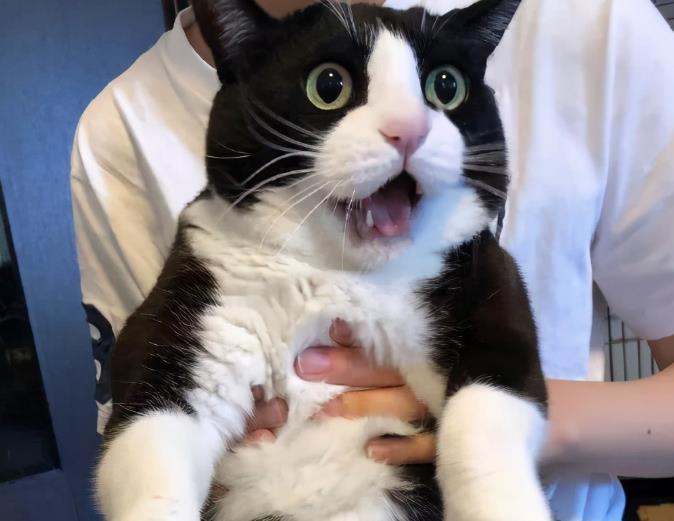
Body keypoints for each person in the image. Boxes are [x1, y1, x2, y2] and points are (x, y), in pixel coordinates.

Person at [70, 0, 674, 519]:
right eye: (330, 87)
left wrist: (508, 440)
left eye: (443, 91)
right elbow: (150, 425)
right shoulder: (124, 134)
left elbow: (497, 378)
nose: (408, 128)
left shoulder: (594, 21)